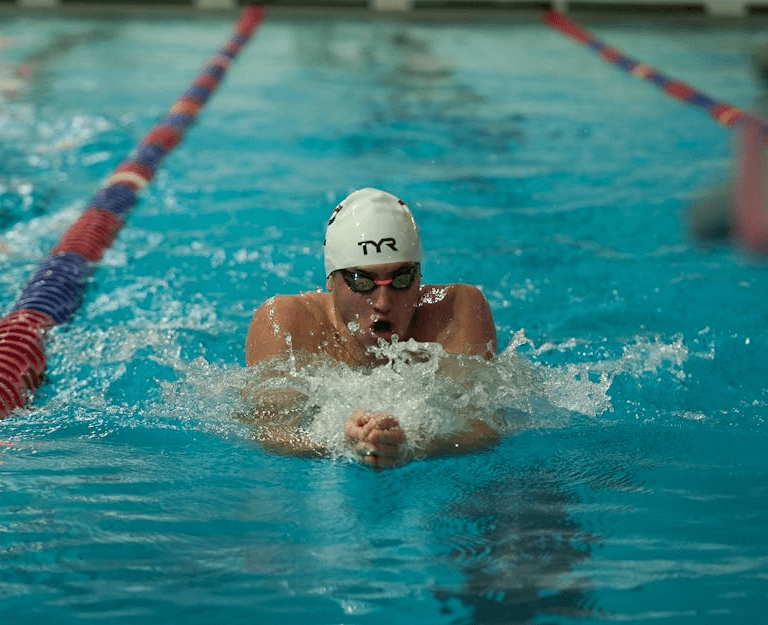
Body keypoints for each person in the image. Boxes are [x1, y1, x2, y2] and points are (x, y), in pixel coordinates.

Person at [245, 187, 499, 470]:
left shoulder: (455, 312)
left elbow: (483, 427)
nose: (383, 302)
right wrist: (339, 443)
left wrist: (413, 444)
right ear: (331, 279)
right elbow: (271, 432)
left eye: (401, 279)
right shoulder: (289, 322)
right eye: (362, 281)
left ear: (419, 276)